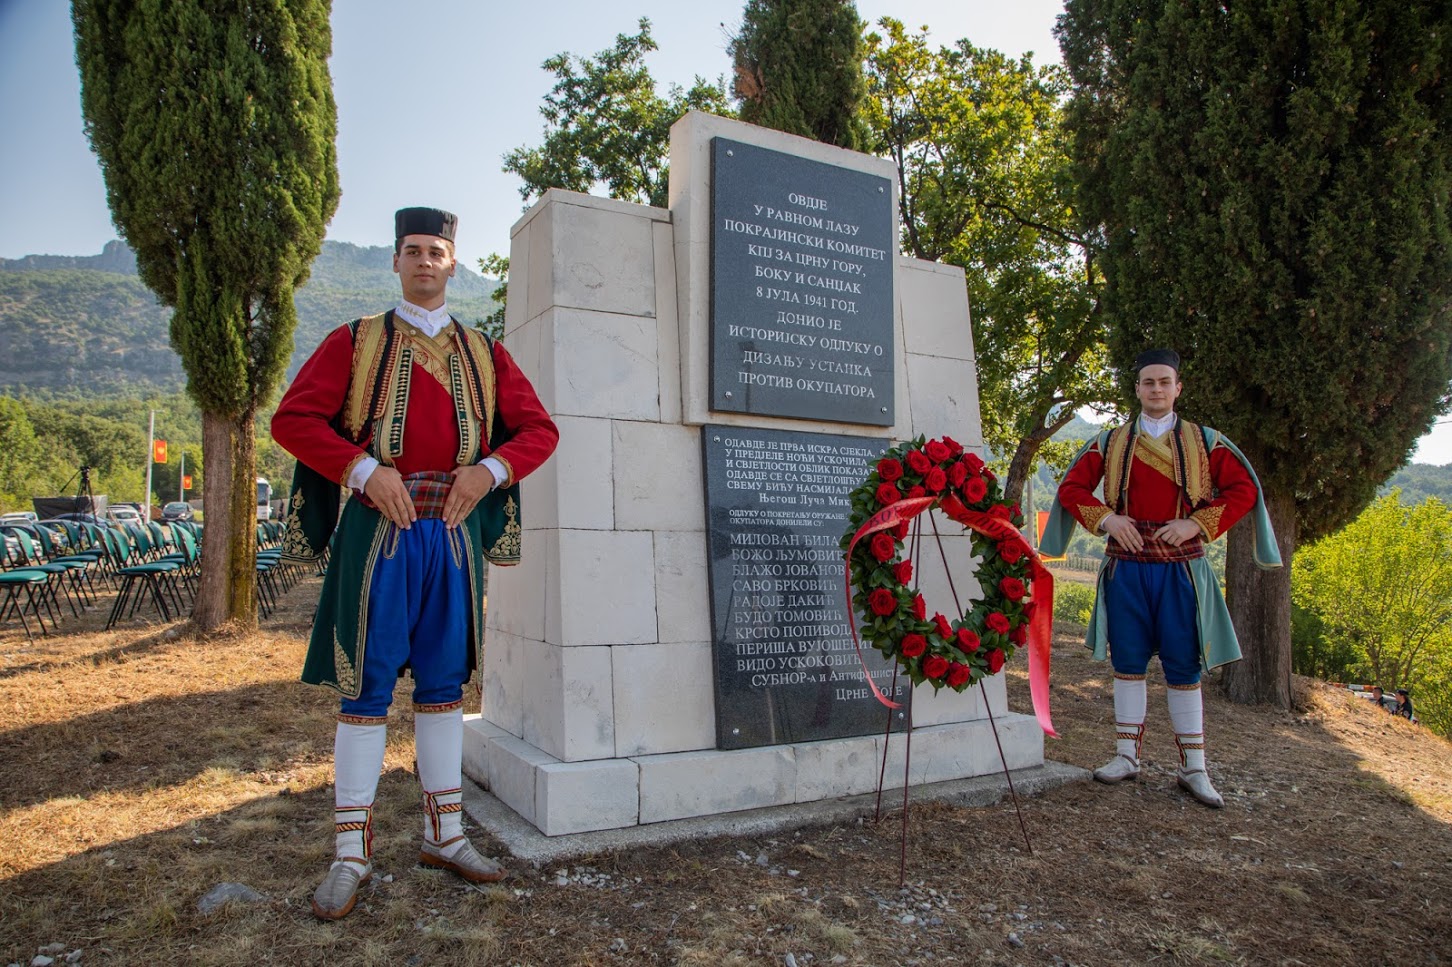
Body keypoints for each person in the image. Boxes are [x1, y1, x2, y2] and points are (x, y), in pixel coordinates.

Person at [272, 207, 558, 921]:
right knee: (365, 686)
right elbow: (293, 419)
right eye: (413, 250)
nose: (425, 261)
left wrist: (487, 471)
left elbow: (540, 430)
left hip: (453, 537)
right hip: (379, 536)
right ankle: (349, 854)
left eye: (437, 251)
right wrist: (365, 469)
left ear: (454, 262)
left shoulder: (486, 354)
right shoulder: (356, 341)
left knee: (442, 685)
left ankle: (446, 833)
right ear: (396, 262)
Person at [1040, 349, 1281, 808]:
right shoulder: (1109, 443)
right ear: (1137, 389)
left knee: (1183, 665)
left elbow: (1243, 489)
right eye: (1148, 382)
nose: (1156, 389)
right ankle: (1126, 756)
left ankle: (1194, 768)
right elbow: (1071, 488)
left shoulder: (1207, 442)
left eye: (1164, 382)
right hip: (1126, 567)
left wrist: (1196, 523)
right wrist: (1108, 520)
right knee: (1127, 661)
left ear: (1177, 388)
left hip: (1180, 569)